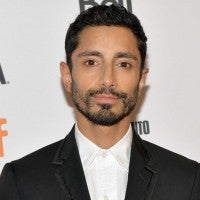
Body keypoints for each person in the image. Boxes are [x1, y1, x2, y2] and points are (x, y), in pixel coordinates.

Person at [0, 4, 199, 200]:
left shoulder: (186, 180)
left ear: (141, 80)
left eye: (123, 64)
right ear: (68, 76)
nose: (108, 79)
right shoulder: (22, 181)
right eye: (91, 62)